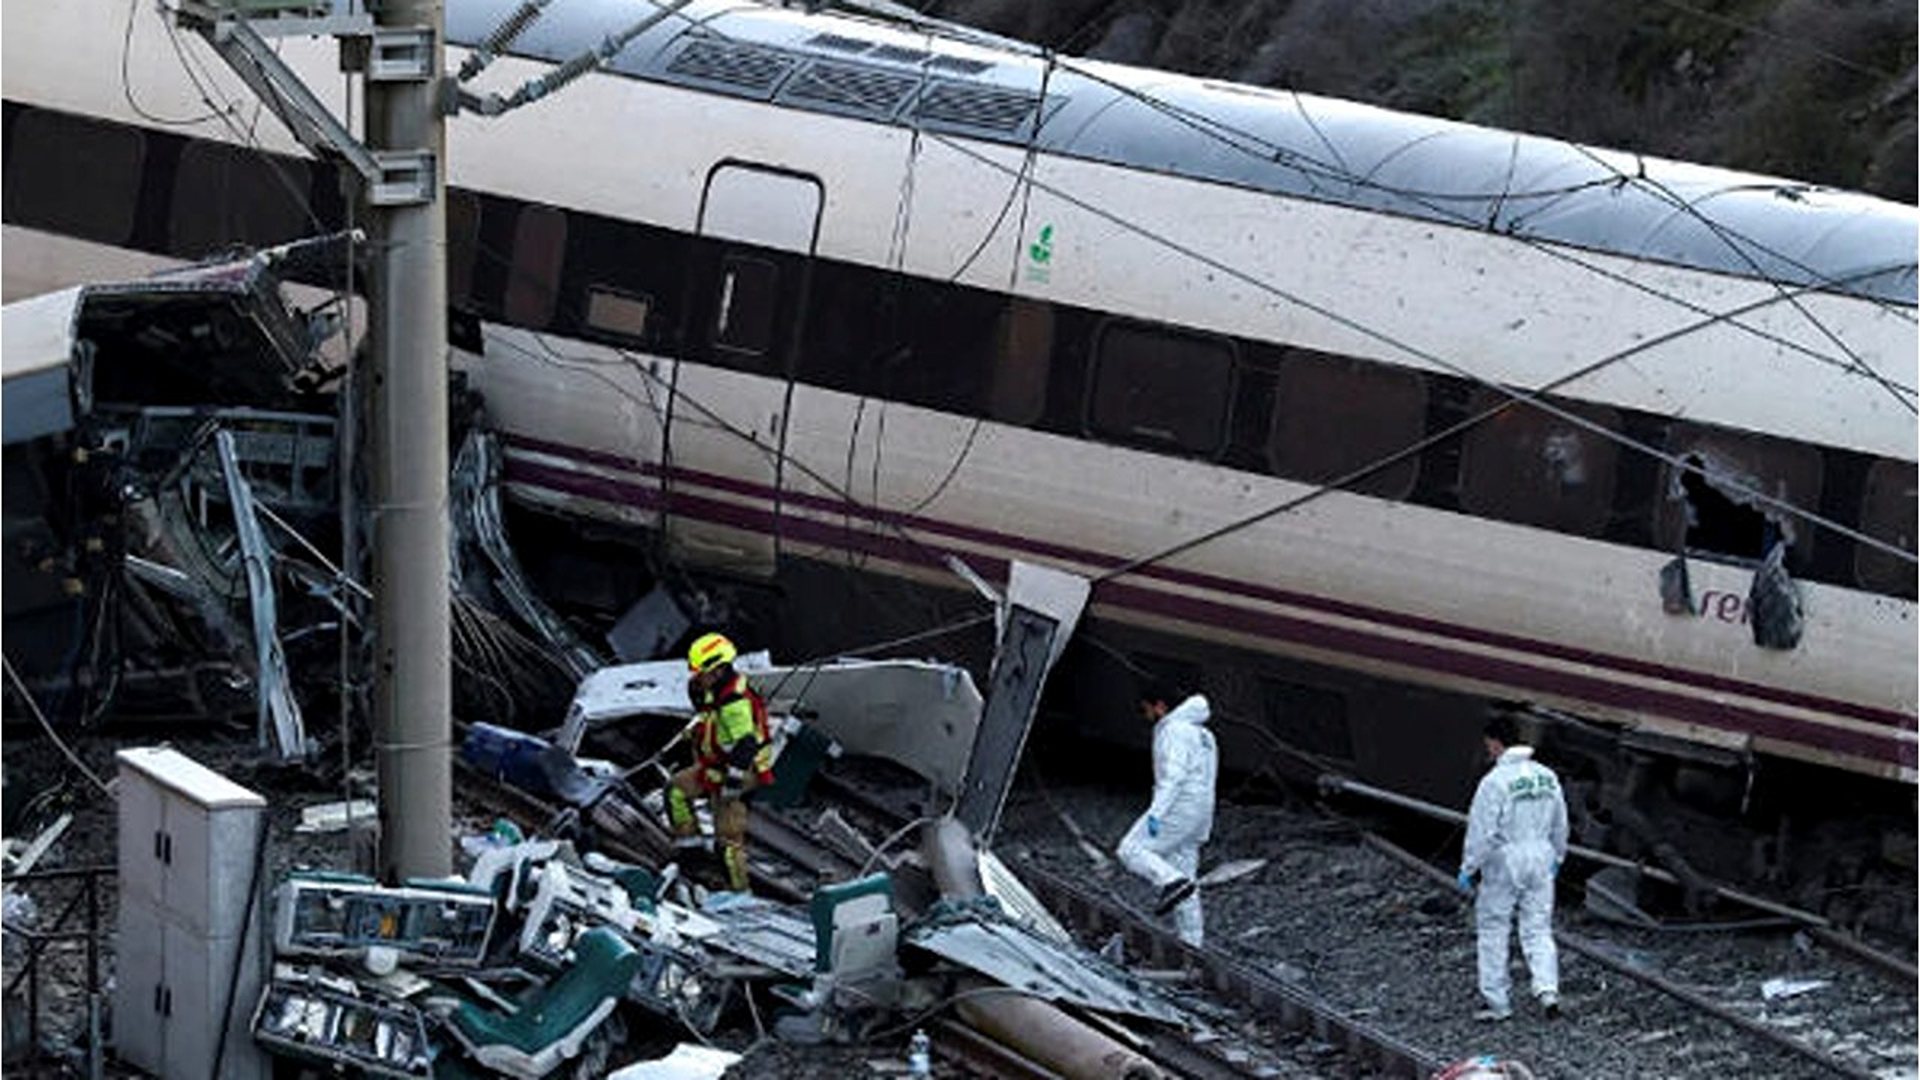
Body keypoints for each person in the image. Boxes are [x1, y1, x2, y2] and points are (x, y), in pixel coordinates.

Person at [1457, 712, 1568, 1021]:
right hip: (1542, 858)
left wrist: (1469, 868)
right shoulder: (1546, 776)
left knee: (1494, 929)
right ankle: (1548, 991)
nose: (1487, 750)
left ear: (1495, 742)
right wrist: (1557, 857)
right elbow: (1561, 823)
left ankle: (1498, 1003)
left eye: (1488, 744)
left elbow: (1482, 832)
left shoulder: (1494, 782)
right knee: (1538, 928)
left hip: (1505, 861)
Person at [666, 632, 774, 894]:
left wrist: (732, 784)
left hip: (740, 772)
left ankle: (740, 892)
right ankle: (691, 851)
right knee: (676, 791)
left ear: (717, 670)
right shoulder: (718, 691)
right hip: (717, 766)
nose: (696, 678)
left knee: (727, 842)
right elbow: (709, 719)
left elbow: (745, 745)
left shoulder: (734, 703)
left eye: (700, 673)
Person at [1116, 679, 1218, 947]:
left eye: (1146, 709)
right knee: (1186, 873)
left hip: (1178, 807)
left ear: (1160, 706)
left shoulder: (1174, 731)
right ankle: (1192, 945)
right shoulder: (1204, 735)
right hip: (1200, 813)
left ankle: (1169, 882)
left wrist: (1156, 813)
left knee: (1130, 849)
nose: (1145, 715)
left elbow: (1173, 778)